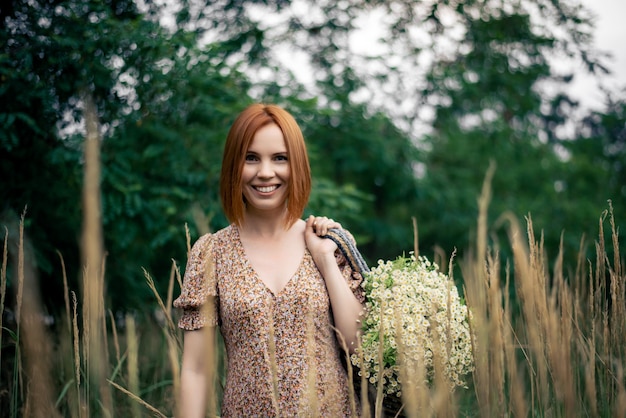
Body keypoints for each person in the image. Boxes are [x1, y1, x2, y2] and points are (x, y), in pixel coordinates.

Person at [174, 103, 366, 417]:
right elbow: (196, 370)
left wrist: (326, 260)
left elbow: (358, 347)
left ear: (298, 165)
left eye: (280, 158)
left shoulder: (329, 243)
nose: (265, 172)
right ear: (234, 165)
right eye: (251, 158)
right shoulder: (211, 252)